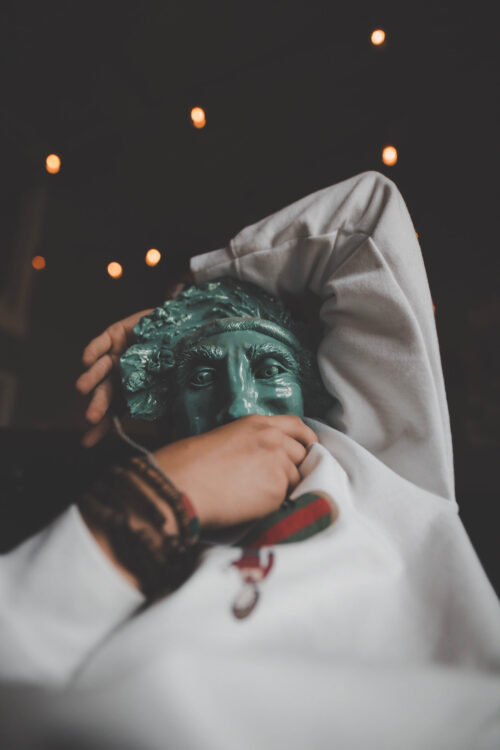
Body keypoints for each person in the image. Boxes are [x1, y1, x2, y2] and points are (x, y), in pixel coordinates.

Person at [1, 171, 499, 750]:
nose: (239, 405)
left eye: (270, 369)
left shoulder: (381, 465)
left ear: (312, 393)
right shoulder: (133, 549)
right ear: (169, 421)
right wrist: (155, 496)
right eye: (201, 377)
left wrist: (188, 296)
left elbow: (361, 221)